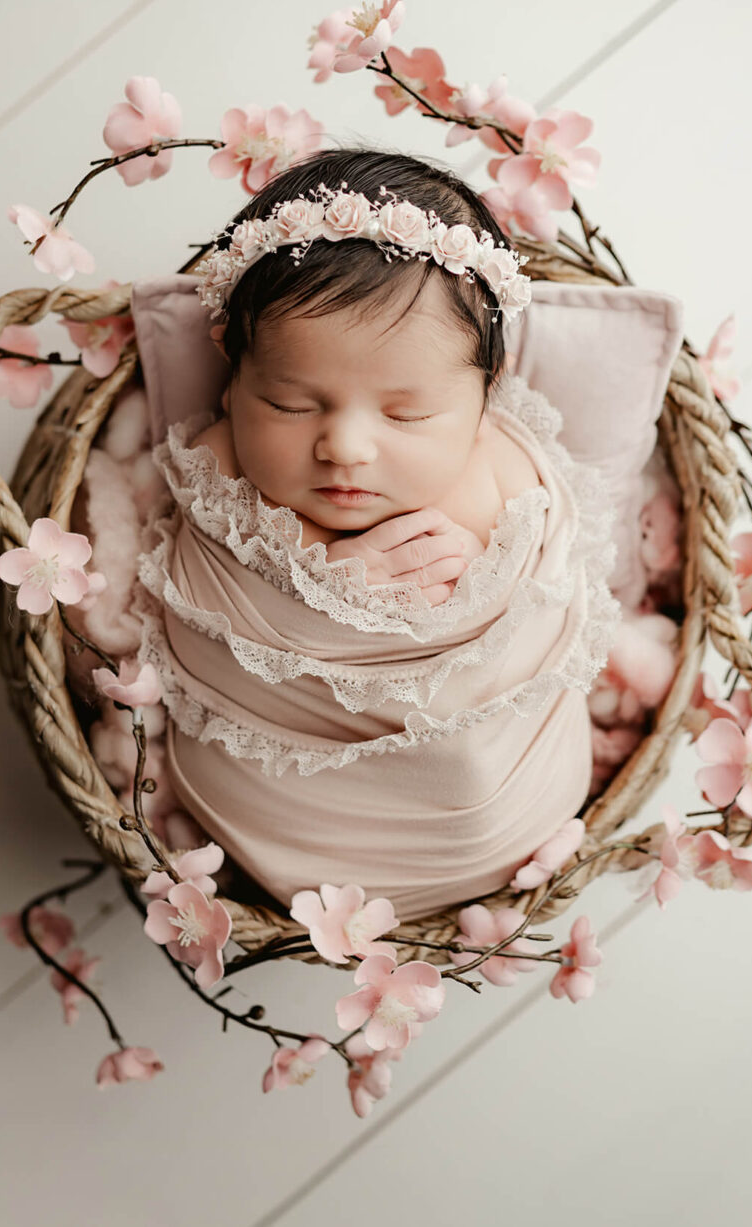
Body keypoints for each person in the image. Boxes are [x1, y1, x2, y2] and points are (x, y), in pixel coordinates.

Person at [128, 145, 622, 921]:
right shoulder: (219, 463)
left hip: (495, 793)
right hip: (282, 815)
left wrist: (478, 578)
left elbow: (547, 586)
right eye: (291, 404)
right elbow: (188, 596)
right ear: (232, 370)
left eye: (406, 413)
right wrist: (322, 582)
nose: (346, 448)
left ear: (487, 391)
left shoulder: (497, 465)